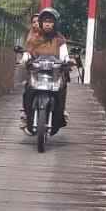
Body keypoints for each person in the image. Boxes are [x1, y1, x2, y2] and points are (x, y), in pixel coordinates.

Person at [20, 7, 70, 135]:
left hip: (55, 74)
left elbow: (64, 54)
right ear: (41, 23)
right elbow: (28, 51)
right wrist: (26, 57)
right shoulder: (34, 38)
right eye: (45, 21)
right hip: (37, 73)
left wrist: (66, 60)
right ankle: (27, 115)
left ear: (55, 23)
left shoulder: (60, 39)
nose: (48, 24)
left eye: (51, 21)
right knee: (28, 90)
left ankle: (60, 114)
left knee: (62, 89)